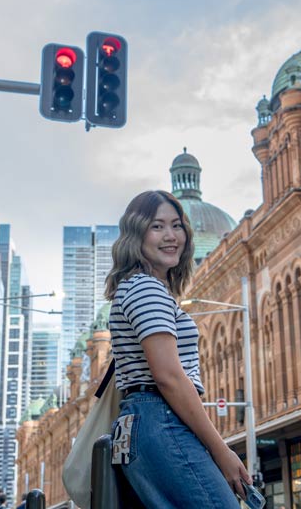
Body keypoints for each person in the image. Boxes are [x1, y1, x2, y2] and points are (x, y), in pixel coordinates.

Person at [106, 190, 252, 507]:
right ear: (136, 233)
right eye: (157, 226)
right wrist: (220, 449)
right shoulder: (146, 288)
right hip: (160, 418)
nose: (171, 236)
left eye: (177, 225)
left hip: (145, 424)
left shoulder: (137, 287)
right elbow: (169, 377)